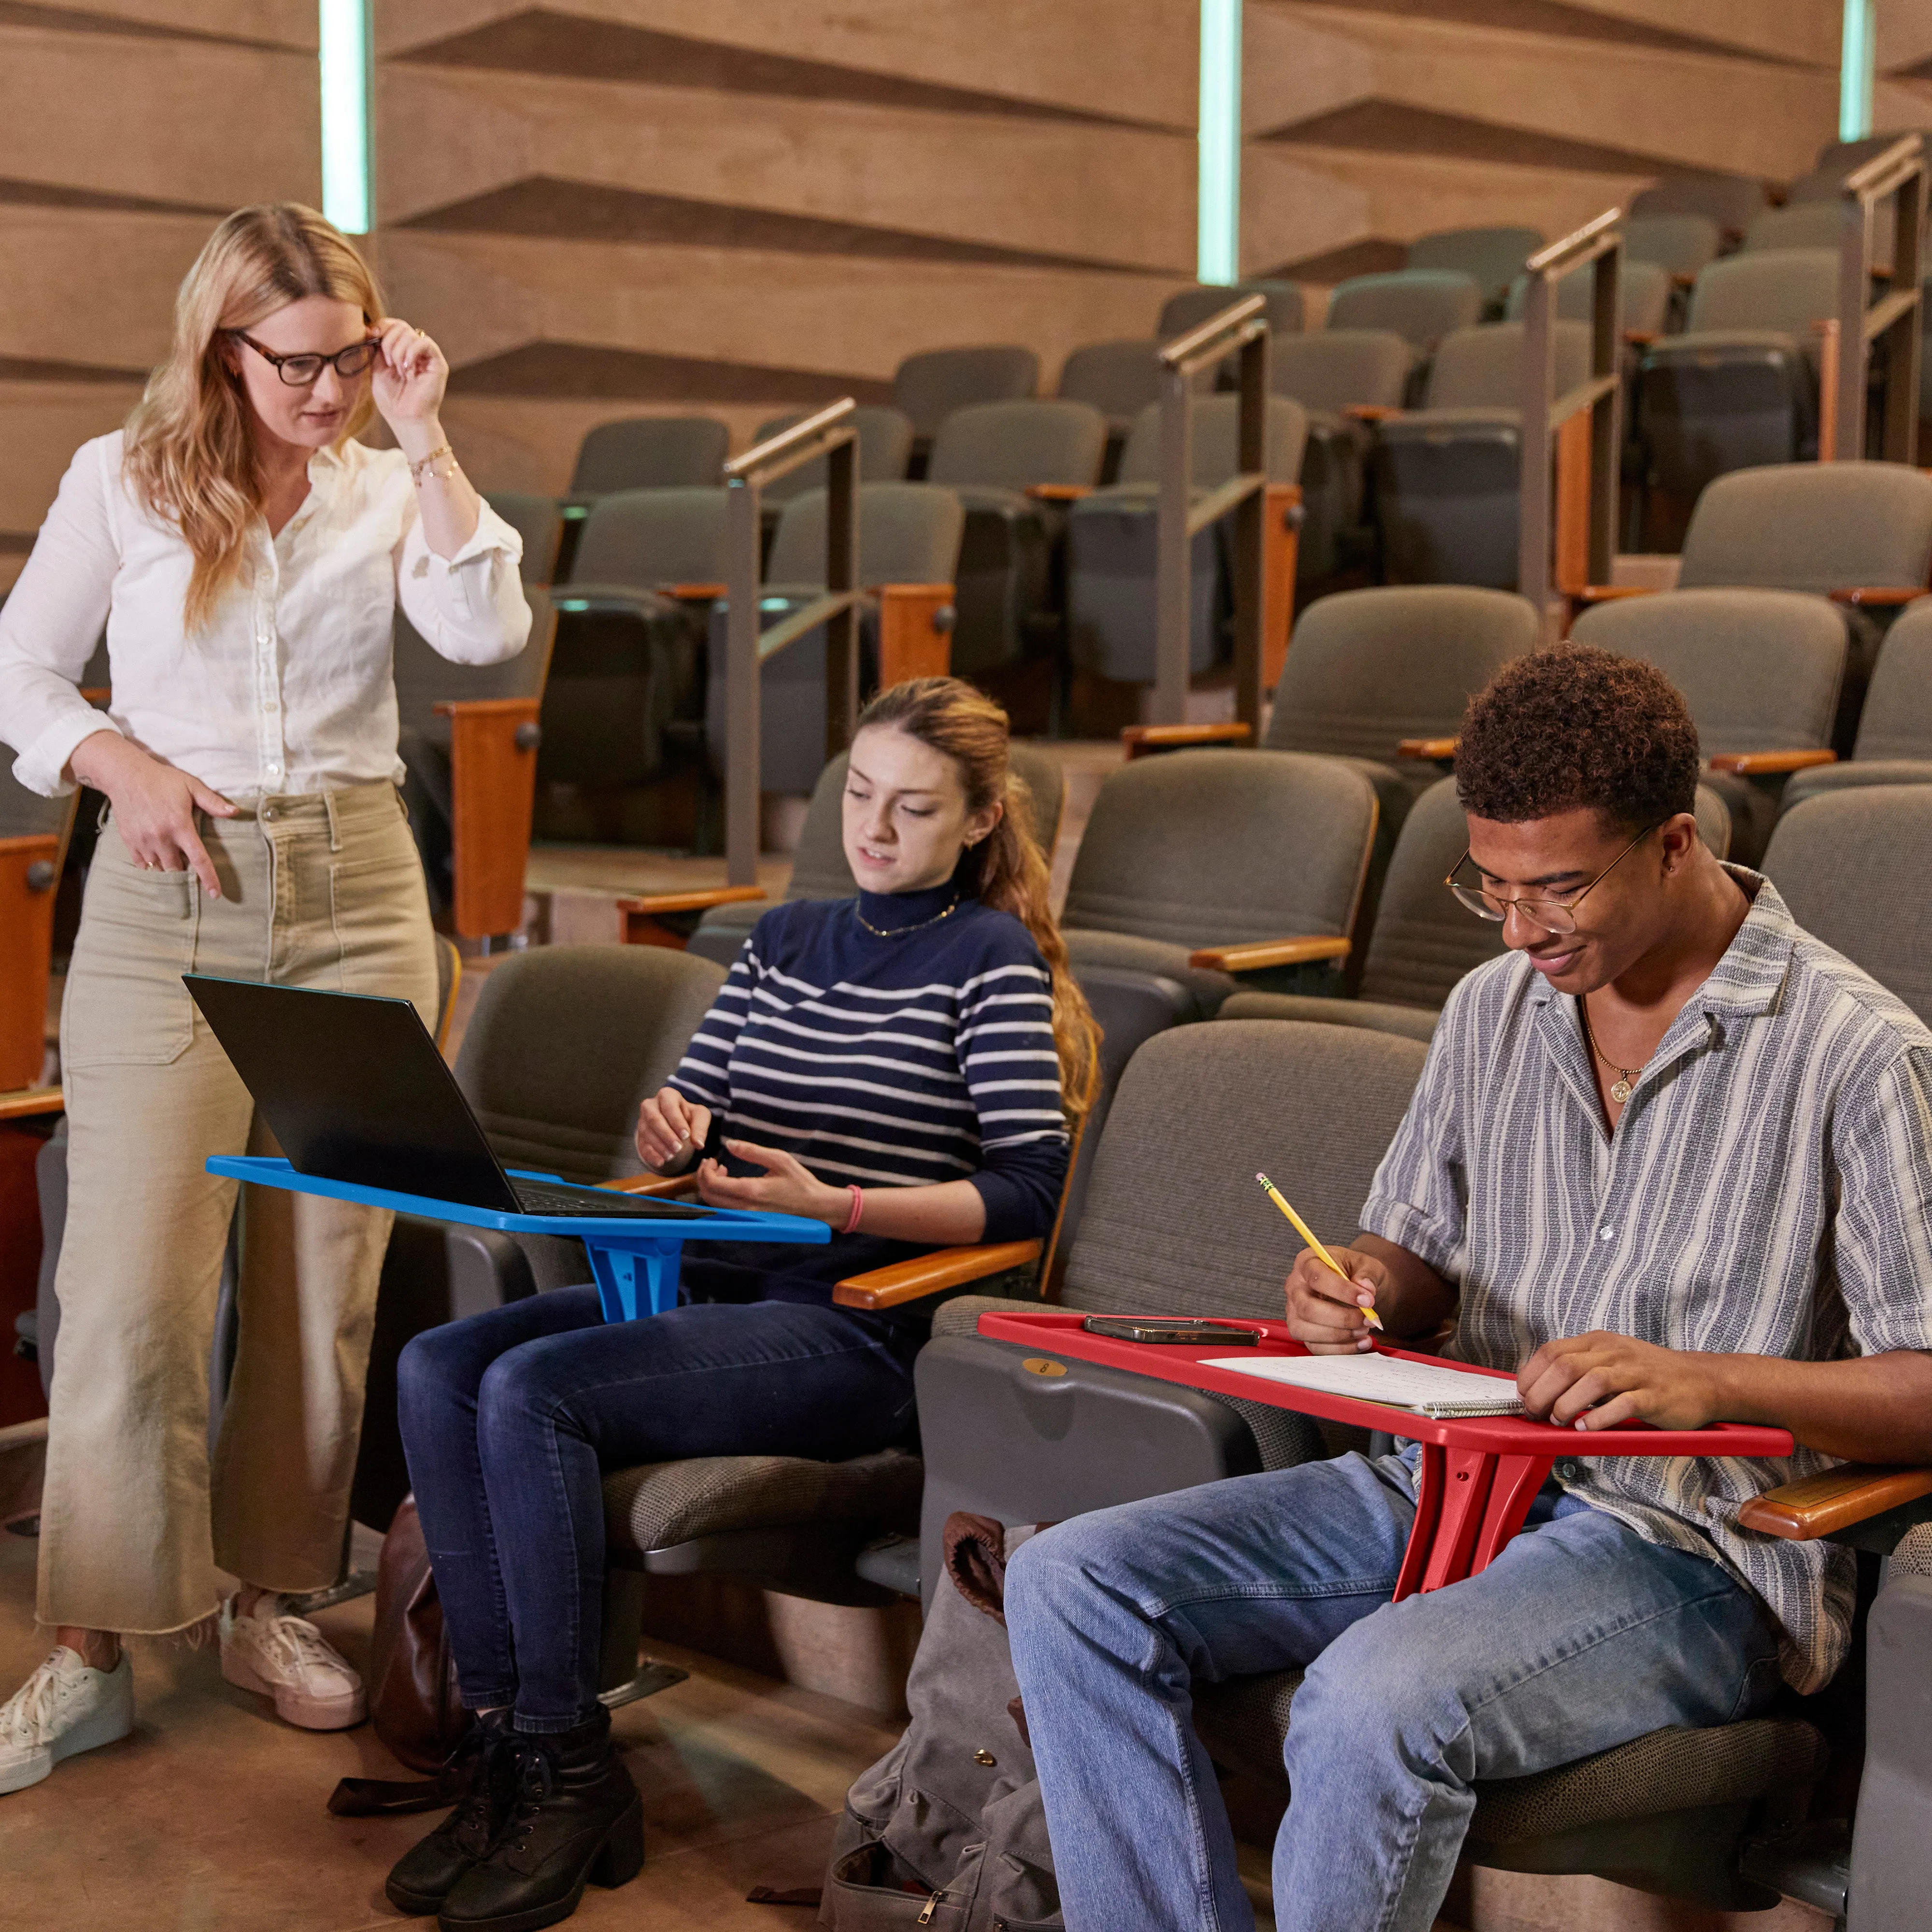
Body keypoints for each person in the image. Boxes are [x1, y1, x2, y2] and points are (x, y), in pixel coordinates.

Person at [1001, 646, 1932, 1932]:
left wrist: (1702, 1379)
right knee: (1069, 1588)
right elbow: (1414, 1260)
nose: (1516, 928)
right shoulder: (1495, 1006)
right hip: (1442, 1484)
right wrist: (1362, 1280)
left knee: (1372, 1701)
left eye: (1555, 889)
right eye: (1488, 887)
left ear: (1673, 844)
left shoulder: (1859, 1056)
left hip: (1686, 1548)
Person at [387, 676, 1100, 1932]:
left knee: (534, 1390)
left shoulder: (985, 957)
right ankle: (504, 1743)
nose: (874, 830)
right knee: (439, 1366)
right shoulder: (783, 938)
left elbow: (1030, 1189)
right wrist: (678, 1131)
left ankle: (567, 1764)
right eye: (862, 796)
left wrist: (841, 1205)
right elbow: (694, 1111)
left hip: (857, 1326)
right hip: (720, 1286)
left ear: (982, 819)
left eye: (914, 809)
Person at [0, 204, 530, 1794]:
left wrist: (429, 438)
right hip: (172, 887)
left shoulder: (390, 482)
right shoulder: (123, 480)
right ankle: (93, 1648)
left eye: (355, 358)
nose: (328, 390)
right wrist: (120, 759)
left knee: (323, 1283)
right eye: (298, 362)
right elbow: (17, 675)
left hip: (361, 889)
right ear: (223, 350)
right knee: (133, 1289)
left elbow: (484, 628)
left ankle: (272, 1603)